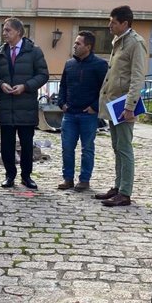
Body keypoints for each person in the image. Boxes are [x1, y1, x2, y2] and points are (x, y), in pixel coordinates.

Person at [95, 5, 148, 207]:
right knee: (117, 147)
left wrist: (130, 106)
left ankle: (125, 192)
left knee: (124, 148)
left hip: (124, 105)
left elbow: (137, 77)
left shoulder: (136, 43)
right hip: (114, 103)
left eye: (113, 22)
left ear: (125, 23)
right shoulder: (119, 41)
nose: (109, 25)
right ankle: (118, 187)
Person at [0, 17, 49, 190]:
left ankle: (26, 176)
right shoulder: (0, 52)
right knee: (7, 144)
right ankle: (9, 175)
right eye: (4, 29)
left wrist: (26, 86)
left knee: (26, 145)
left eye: (8, 30)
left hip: (26, 107)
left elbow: (43, 75)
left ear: (18, 32)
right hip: (6, 106)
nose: (4, 33)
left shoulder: (34, 51)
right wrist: (1, 85)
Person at [57, 31, 108, 192]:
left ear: (88, 46)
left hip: (88, 115)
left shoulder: (100, 65)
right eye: (75, 43)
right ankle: (68, 178)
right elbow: (63, 85)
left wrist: (95, 106)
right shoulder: (69, 64)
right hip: (70, 113)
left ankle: (84, 180)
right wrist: (61, 103)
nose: (75, 45)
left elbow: (105, 89)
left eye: (78, 43)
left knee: (87, 148)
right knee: (67, 147)